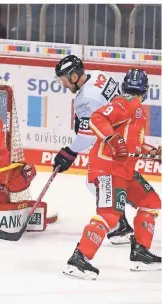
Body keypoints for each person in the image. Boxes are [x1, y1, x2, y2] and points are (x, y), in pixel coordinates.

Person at [63, 68, 161, 280]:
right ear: (146, 89)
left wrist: (152, 152)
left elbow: (135, 144)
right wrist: (112, 140)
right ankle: (79, 259)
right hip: (107, 169)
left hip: (125, 171)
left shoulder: (137, 111)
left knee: (150, 201)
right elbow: (97, 118)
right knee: (110, 213)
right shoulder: (123, 103)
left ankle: (140, 252)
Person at [53, 55, 134, 245]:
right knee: (107, 180)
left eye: (64, 79)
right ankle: (121, 208)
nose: (63, 84)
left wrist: (69, 153)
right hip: (127, 132)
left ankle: (119, 223)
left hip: (114, 142)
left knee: (97, 181)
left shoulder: (85, 98)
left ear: (74, 77)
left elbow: (88, 136)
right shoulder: (98, 75)